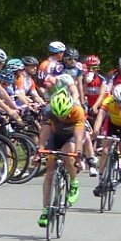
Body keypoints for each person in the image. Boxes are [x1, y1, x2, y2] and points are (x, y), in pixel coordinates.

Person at [36, 88, 85, 227]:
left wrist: (79, 153)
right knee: (49, 174)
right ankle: (45, 209)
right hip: (55, 136)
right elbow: (45, 131)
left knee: (67, 153)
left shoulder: (77, 111)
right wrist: (39, 149)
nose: (61, 118)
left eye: (64, 115)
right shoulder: (48, 111)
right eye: (58, 116)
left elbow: (78, 135)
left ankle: (74, 182)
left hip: (71, 137)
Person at [92, 83, 121, 192]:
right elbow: (100, 117)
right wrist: (96, 130)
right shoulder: (108, 101)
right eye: (118, 101)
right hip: (111, 124)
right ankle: (101, 179)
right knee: (104, 150)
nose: (120, 104)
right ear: (114, 99)